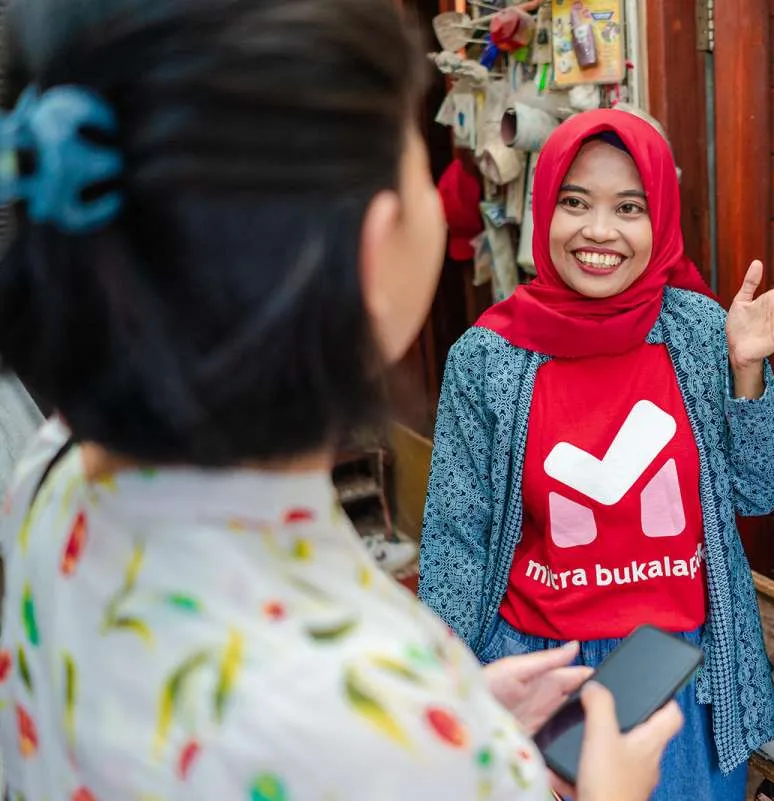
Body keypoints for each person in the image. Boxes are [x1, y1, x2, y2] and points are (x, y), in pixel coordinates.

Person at [0, 1, 682, 799]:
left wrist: (459, 722)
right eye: (417, 167)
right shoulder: (367, 709)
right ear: (374, 241)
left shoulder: (57, 467)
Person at [419, 108, 774, 799]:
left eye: (629, 207)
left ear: (661, 222)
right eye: (574, 202)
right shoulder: (488, 356)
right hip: (543, 673)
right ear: (543, 210)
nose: (598, 231)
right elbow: (455, 539)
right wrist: (454, 701)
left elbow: (762, 488)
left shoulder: (703, 330)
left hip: (687, 680)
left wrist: (746, 369)